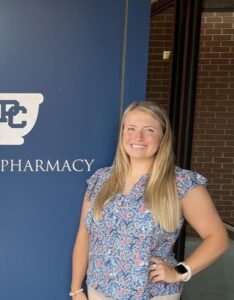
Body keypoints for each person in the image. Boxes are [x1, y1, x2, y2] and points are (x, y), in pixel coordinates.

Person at [70, 101, 229, 300]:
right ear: (121, 134)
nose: (138, 137)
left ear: (163, 137)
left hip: (153, 293)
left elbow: (218, 237)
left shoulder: (180, 182)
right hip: (99, 290)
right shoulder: (101, 179)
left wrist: (180, 271)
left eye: (149, 130)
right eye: (131, 129)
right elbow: (85, 235)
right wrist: (76, 289)